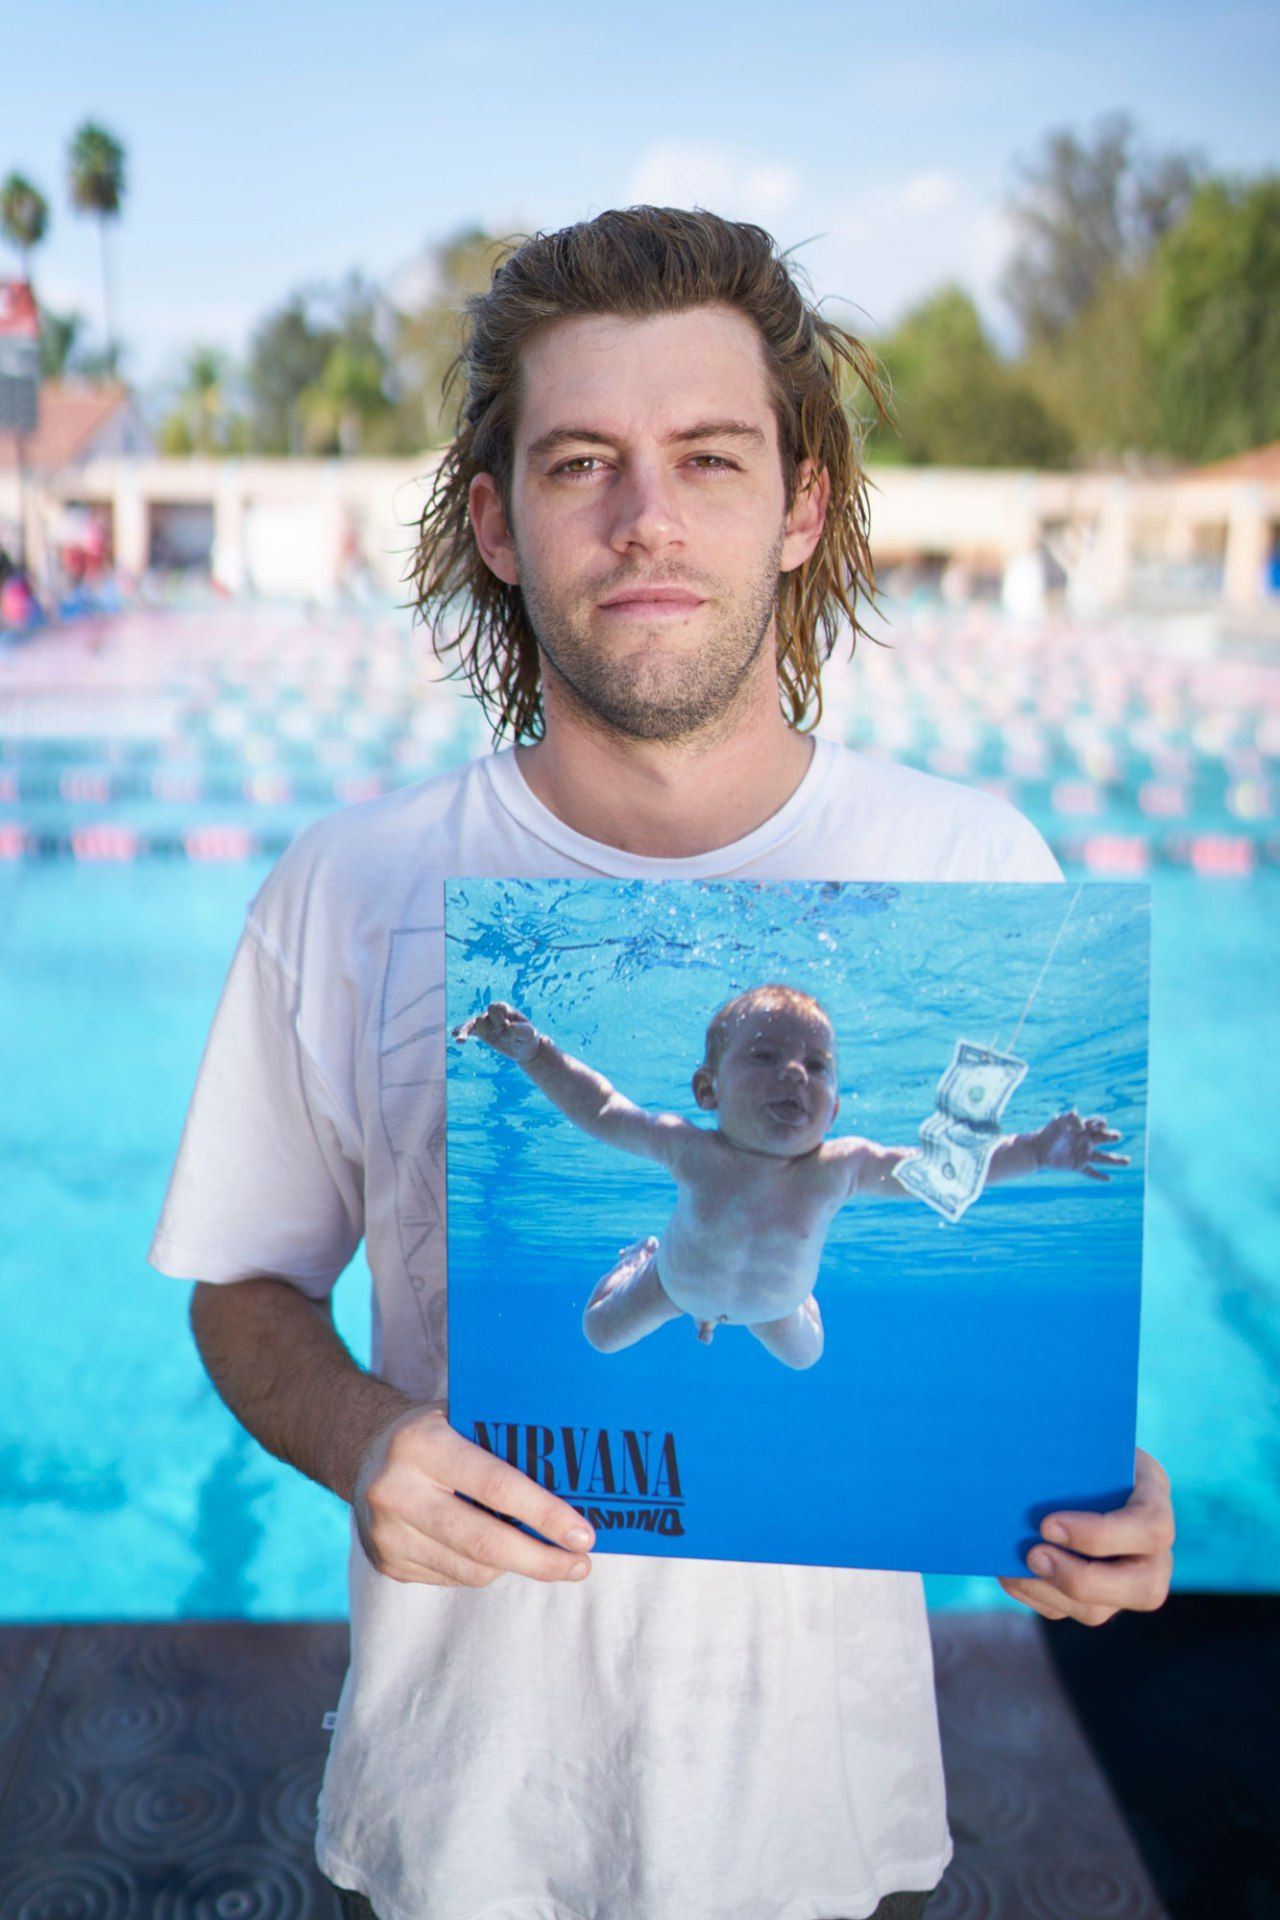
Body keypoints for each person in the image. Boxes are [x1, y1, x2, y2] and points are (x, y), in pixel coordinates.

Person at [150, 207, 1175, 1920]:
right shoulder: (349, 889)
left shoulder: (985, 878)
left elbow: (950, 1207)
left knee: (804, 1340)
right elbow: (242, 1288)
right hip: (459, 1824)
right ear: (496, 520)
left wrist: (1089, 1513)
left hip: (811, 1828)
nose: (646, 522)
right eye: (578, 465)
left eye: (707, 458)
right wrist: (363, 1439)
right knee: (632, 1306)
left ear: (801, 506)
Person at [455, 986, 1128, 1365]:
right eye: (767, 1054)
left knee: (808, 1359)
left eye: (818, 1065)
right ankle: (644, 1256)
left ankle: (797, 1299)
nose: (796, 1073)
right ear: (707, 1089)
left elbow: (940, 1172)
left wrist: (1038, 1150)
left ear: (834, 1106)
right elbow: (602, 1108)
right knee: (597, 1335)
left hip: (773, 1305)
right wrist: (534, 1053)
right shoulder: (691, 1148)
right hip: (675, 1284)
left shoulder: (842, 1167)